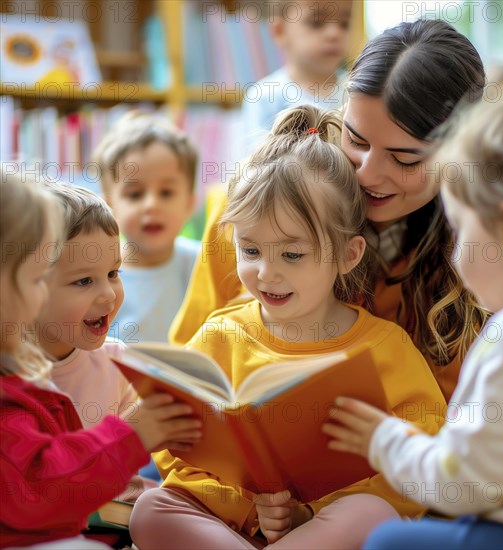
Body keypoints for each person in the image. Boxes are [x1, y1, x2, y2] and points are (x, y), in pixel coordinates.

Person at [129, 105, 447, 550]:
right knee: (153, 509)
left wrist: (310, 514)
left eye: (292, 255)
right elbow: (172, 446)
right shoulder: (220, 334)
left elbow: (422, 458)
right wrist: (244, 504)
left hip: (327, 529)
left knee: (370, 513)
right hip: (227, 525)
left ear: (348, 255)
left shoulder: (384, 347)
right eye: (250, 250)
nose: (266, 273)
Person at [170, 19, 489, 403]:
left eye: (404, 159)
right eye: (355, 139)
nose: (367, 174)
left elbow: (457, 429)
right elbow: (180, 375)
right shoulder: (245, 209)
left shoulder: (478, 255)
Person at [324, 84, 503, 550]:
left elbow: (464, 485)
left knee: (388, 542)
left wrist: (385, 440)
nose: (456, 252)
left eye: (461, 229)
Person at [0, 171, 201, 549]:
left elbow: (154, 466)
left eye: (113, 273)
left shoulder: (118, 364)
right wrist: (134, 434)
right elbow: (44, 486)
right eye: (83, 281)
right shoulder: (15, 386)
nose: (109, 295)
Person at [94, 111, 200, 344]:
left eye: (166, 193)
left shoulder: (203, 263)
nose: (151, 205)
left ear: (189, 203)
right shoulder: (94, 274)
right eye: (135, 194)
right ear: (109, 206)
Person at [240, 0, 352, 156]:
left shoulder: (357, 90)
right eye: (316, 23)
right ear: (279, 31)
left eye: (344, 24)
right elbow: (254, 166)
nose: (334, 33)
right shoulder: (264, 95)